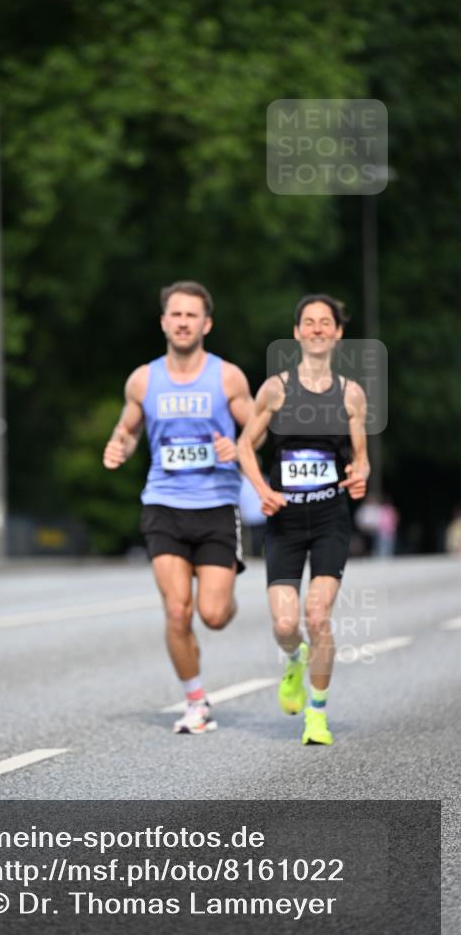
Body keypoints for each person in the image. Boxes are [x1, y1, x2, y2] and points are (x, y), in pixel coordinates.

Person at [103, 281, 254, 734]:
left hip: (215, 506)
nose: (183, 322)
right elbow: (128, 429)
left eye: (192, 315)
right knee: (176, 611)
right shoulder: (144, 379)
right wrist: (118, 446)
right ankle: (195, 701)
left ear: (206, 324)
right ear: (164, 322)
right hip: (164, 504)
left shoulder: (227, 376)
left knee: (212, 615)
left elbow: (260, 429)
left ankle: (226, 598)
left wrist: (238, 446)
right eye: (176, 314)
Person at [238, 294, 369, 746]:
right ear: (296, 333)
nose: (316, 329)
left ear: (337, 333)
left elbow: (361, 459)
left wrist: (359, 475)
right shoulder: (275, 388)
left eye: (324, 323)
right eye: (308, 323)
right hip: (286, 521)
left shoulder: (351, 393)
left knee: (317, 617)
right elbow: (243, 447)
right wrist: (262, 491)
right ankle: (294, 661)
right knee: (284, 625)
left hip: (331, 517)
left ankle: (317, 715)